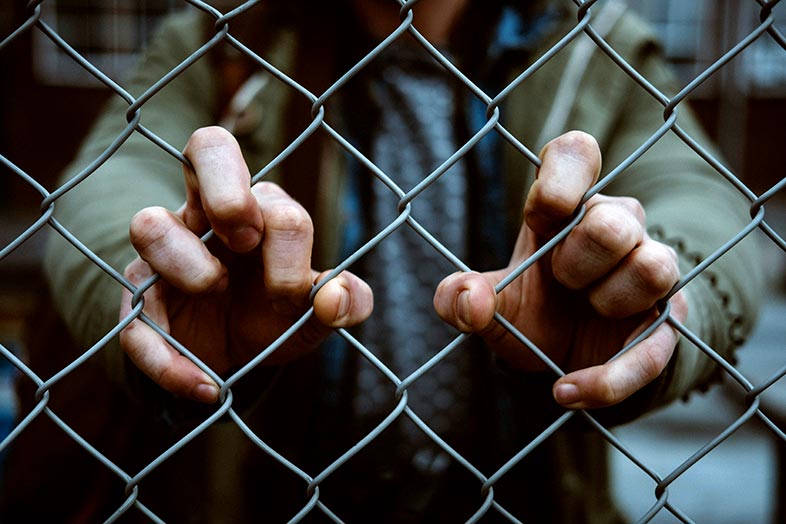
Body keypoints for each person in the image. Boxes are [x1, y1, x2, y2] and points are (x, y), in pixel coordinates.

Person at [0, 0, 762, 522]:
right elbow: (107, 183)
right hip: (270, 492)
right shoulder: (233, 36)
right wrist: (156, 279)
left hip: (527, 495)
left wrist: (661, 294)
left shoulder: (591, 45)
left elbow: (698, 196)